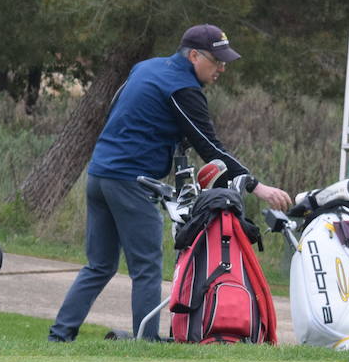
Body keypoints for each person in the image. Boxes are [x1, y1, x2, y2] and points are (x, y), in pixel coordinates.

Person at [49, 25, 292, 342]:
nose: (222, 68)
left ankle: (59, 336)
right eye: (216, 61)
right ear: (194, 55)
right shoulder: (183, 89)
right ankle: (146, 343)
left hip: (99, 175)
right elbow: (211, 147)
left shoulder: (146, 68)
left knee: (100, 265)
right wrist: (256, 186)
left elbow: (120, 112)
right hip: (130, 181)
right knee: (147, 267)